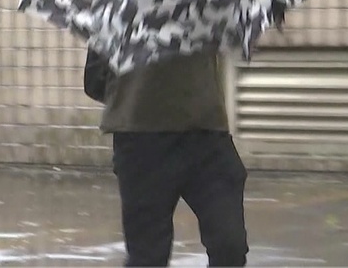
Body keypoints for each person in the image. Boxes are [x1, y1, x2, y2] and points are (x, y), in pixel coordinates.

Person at [83, 48, 249, 267]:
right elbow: (95, 80)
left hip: (205, 135)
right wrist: (134, 94)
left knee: (230, 243)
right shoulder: (117, 16)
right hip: (142, 142)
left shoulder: (207, 13)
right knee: (148, 256)